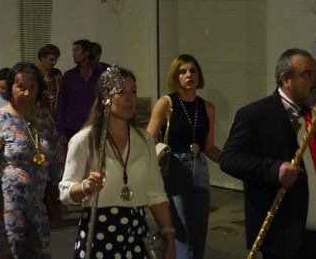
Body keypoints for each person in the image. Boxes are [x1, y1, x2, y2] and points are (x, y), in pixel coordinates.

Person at [221, 48, 316, 259]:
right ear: (285, 80)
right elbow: (230, 158)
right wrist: (274, 169)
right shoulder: (256, 115)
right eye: (307, 74)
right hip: (288, 236)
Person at [59, 67, 176, 259]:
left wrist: (169, 238)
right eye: (121, 92)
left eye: (133, 91)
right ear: (105, 98)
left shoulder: (144, 140)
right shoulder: (84, 140)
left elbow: (156, 195)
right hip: (98, 236)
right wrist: (85, 187)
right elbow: (65, 193)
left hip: (137, 235)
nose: (129, 98)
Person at [0, 62, 63, 258]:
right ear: (10, 88)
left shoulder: (45, 118)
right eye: (20, 86)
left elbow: (56, 157)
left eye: (32, 87)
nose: (27, 92)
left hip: (37, 205)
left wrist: (60, 192)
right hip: (7, 205)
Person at [146, 54, 222, 259]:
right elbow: (149, 139)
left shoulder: (207, 107)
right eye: (183, 71)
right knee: (183, 230)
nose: (189, 75)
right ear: (175, 76)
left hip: (200, 168)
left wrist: (231, 160)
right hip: (175, 167)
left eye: (193, 70)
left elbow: (209, 146)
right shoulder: (166, 103)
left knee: (199, 231)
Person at [55, 39, 103, 143]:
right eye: (73, 51)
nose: (73, 54)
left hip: (95, 126)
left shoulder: (101, 75)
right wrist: (61, 131)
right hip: (73, 128)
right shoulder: (69, 75)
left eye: (77, 50)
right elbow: (62, 103)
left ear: (86, 52)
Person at [36, 44, 63, 115]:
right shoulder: (33, 73)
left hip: (55, 116)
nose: (54, 63)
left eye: (56, 60)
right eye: (51, 59)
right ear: (42, 58)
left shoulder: (56, 73)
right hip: (38, 116)